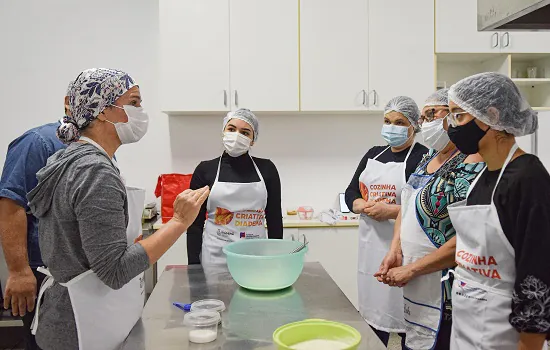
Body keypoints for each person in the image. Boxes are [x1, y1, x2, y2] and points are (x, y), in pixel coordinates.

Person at [26, 68, 210, 350]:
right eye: (134, 102)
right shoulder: (94, 171)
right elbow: (114, 270)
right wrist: (180, 222)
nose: (141, 111)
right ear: (102, 111)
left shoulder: (70, 159)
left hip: (64, 318)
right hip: (81, 328)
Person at [446, 72, 550, 350]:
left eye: (459, 116)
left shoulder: (528, 177)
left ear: (490, 115)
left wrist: (531, 343)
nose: (451, 127)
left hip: (502, 332)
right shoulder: (483, 175)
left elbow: (537, 272)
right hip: (466, 320)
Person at [375, 89, 485, 350]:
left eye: (433, 113)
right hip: (416, 280)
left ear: (457, 116)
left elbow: (471, 235)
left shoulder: (472, 163)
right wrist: (395, 250)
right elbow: (407, 206)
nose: (427, 122)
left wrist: (412, 268)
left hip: (447, 287)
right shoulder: (428, 159)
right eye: (424, 117)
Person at [345, 96, 428, 348]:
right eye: (387, 121)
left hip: (405, 250)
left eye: (399, 122)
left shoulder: (424, 157)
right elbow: (350, 192)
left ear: (414, 125)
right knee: (372, 317)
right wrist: (360, 205)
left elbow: (426, 204)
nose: (391, 127)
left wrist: (391, 211)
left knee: (407, 320)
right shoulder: (373, 154)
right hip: (371, 248)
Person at [0, 81, 73, 350]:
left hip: (77, 275)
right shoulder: (39, 142)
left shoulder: (92, 148)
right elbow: (10, 205)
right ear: (69, 102)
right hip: (44, 271)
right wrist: (19, 272)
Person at [187, 108, 283, 265]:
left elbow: (274, 219)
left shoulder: (267, 169)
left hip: (256, 257)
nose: (237, 135)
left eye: (245, 133)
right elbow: (195, 224)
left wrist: (276, 260)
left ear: (253, 140)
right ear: (223, 132)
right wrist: (193, 268)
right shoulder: (205, 170)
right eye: (231, 129)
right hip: (215, 257)